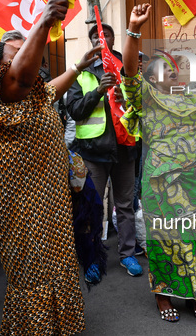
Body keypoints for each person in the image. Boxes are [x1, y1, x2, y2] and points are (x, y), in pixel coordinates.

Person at [0, 0, 101, 335]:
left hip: (49, 196)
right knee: (34, 272)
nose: (33, 53)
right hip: (21, 205)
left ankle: (61, 327)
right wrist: (44, 21)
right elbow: (21, 79)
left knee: (58, 265)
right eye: (19, 52)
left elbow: (51, 90)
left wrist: (78, 66)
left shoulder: (31, 93)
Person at [121, 3, 196, 322]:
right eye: (163, 69)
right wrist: (134, 29)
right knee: (167, 240)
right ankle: (164, 296)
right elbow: (129, 69)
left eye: (174, 68)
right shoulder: (143, 95)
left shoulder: (193, 96)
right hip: (161, 186)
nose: (171, 72)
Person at [66, 20, 143, 277]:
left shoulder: (127, 68)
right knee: (93, 208)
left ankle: (128, 255)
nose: (102, 40)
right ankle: (94, 258)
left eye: (106, 35)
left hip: (125, 150)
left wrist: (127, 100)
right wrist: (99, 91)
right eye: (98, 37)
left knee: (125, 206)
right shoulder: (81, 73)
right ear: (93, 43)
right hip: (93, 153)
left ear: (112, 39)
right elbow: (75, 110)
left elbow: (143, 105)